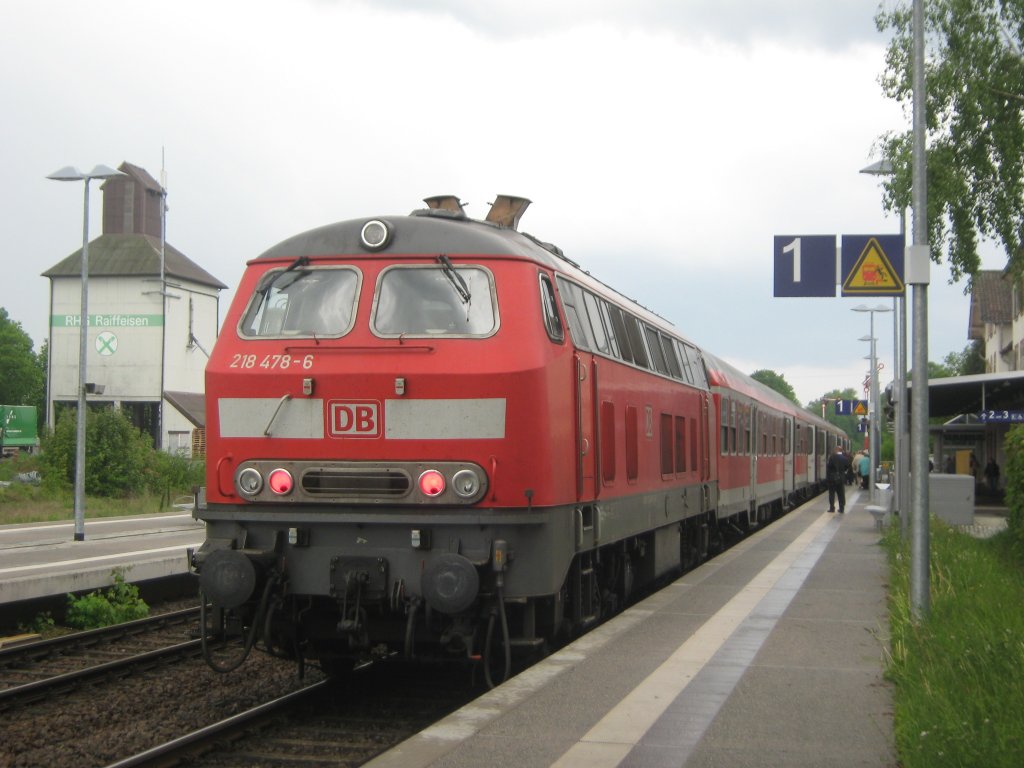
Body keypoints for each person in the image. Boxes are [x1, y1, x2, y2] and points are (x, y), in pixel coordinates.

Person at [826, 446, 850, 514]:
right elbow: (848, 465)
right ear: (841, 451)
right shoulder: (844, 458)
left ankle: (832, 508)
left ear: (835, 450)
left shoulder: (832, 457)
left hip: (832, 479)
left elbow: (829, 467)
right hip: (841, 478)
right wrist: (842, 472)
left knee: (831, 494)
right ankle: (841, 508)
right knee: (841, 494)